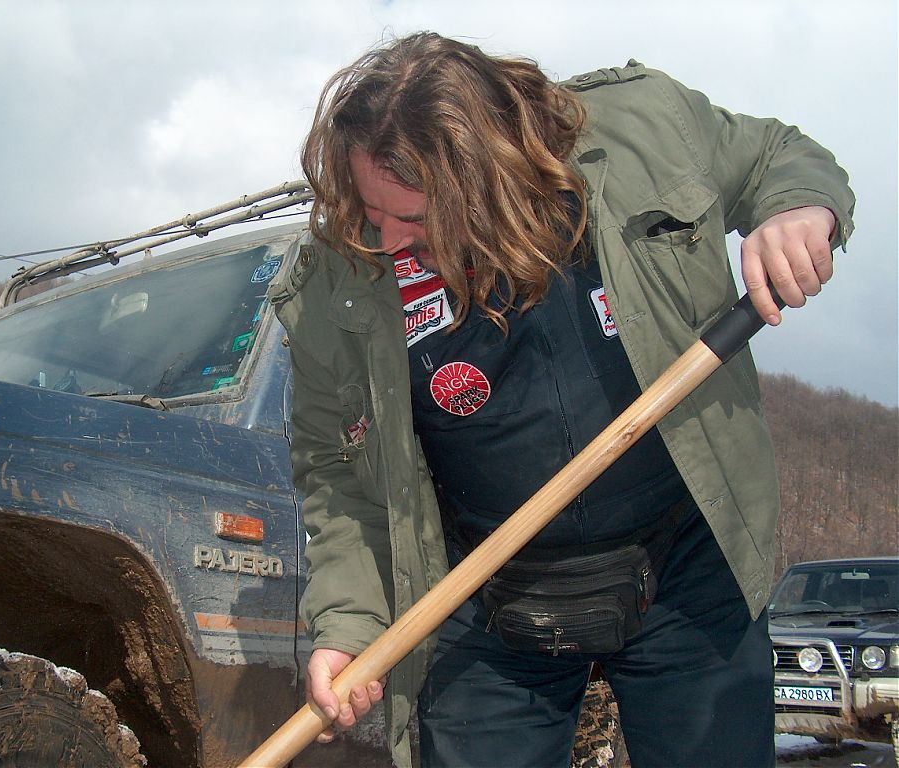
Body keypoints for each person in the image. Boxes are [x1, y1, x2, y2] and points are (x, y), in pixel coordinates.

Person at [267, 32, 854, 768]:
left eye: (414, 221)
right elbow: (336, 472)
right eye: (370, 210)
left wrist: (798, 210)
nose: (385, 241)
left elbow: (776, 157)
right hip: (485, 595)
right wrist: (351, 621)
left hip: (687, 570)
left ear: (491, 181)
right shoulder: (335, 280)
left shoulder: (642, 133)